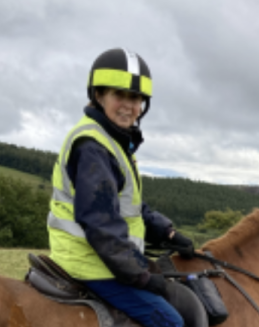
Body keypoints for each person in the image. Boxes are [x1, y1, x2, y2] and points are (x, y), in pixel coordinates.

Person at [47, 48, 194, 327]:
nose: (129, 105)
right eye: (119, 95)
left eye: (136, 97)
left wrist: (168, 232)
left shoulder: (113, 141)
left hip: (102, 258)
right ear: (98, 95)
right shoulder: (93, 147)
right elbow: (101, 224)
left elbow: (129, 207)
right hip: (92, 263)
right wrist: (141, 276)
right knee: (171, 322)